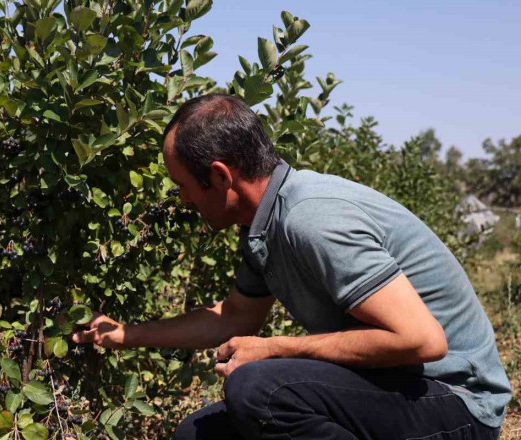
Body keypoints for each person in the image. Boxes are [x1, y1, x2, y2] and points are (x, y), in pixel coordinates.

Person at [70, 94, 511, 440]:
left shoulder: (310, 218)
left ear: (221, 177)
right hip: (396, 387)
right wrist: (129, 334)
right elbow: (236, 316)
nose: (183, 200)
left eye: (184, 186)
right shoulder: (264, 226)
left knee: (260, 389)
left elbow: (421, 340)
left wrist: (276, 347)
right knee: (198, 434)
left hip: (457, 405)